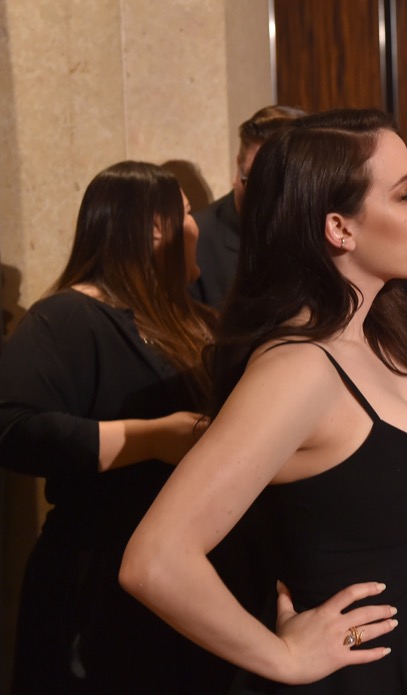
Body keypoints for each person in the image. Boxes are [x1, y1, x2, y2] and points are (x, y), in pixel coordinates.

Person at [120, 109, 407, 693]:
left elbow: (391, 485)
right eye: (406, 194)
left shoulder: (383, 334)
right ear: (338, 228)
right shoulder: (298, 370)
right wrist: (283, 656)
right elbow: (155, 559)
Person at [0, 161, 232, 693]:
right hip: (100, 584)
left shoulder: (198, 321)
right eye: (186, 213)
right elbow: (12, 428)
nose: (198, 226)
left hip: (192, 576)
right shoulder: (66, 318)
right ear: (153, 228)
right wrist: (152, 438)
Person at [191, 104, 306, 308]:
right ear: (238, 166)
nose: (266, 194)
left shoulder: (318, 227)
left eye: (280, 181)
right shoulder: (197, 240)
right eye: (254, 179)